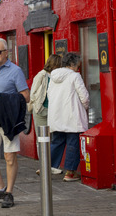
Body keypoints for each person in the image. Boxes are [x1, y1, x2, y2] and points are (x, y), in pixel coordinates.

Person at [0, 38, 30, 209]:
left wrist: (3, 99)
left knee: (9, 157)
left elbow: (26, 97)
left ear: (6, 52)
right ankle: (0, 187)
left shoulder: (15, 71)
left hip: (7, 121)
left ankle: (9, 192)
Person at [47, 52, 89, 182]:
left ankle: (48, 167)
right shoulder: (75, 76)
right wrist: (85, 107)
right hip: (72, 116)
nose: (78, 68)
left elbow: (49, 95)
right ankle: (70, 172)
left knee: (57, 141)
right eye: (77, 65)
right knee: (73, 143)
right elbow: (84, 97)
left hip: (56, 115)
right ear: (72, 64)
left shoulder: (53, 77)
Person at [30, 53, 63, 175]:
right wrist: (38, 104)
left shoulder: (58, 77)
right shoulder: (41, 75)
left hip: (54, 111)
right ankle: (43, 166)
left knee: (54, 138)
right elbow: (33, 92)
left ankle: (51, 164)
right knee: (42, 139)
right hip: (41, 110)